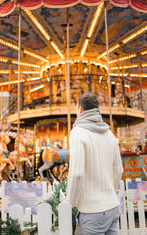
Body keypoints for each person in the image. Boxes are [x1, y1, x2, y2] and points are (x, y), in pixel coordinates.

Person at [66, 93, 123, 235]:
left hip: (91, 211)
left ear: (80, 110)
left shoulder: (78, 132)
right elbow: (119, 170)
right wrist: (110, 190)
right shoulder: (109, 134)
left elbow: (77, 173)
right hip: (113, 207)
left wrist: (70, 202)